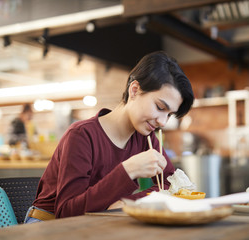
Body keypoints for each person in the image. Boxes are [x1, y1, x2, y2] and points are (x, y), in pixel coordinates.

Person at [24, 51, 194, 223]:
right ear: (134, 90)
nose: (163, 122)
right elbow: (67, 212)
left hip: (96, 221)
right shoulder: (81, 135)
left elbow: (171, 184)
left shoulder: (146, 137)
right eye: (159, 107)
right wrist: (128, 170)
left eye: (169, 114)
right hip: (48, 224)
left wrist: (126, 202)